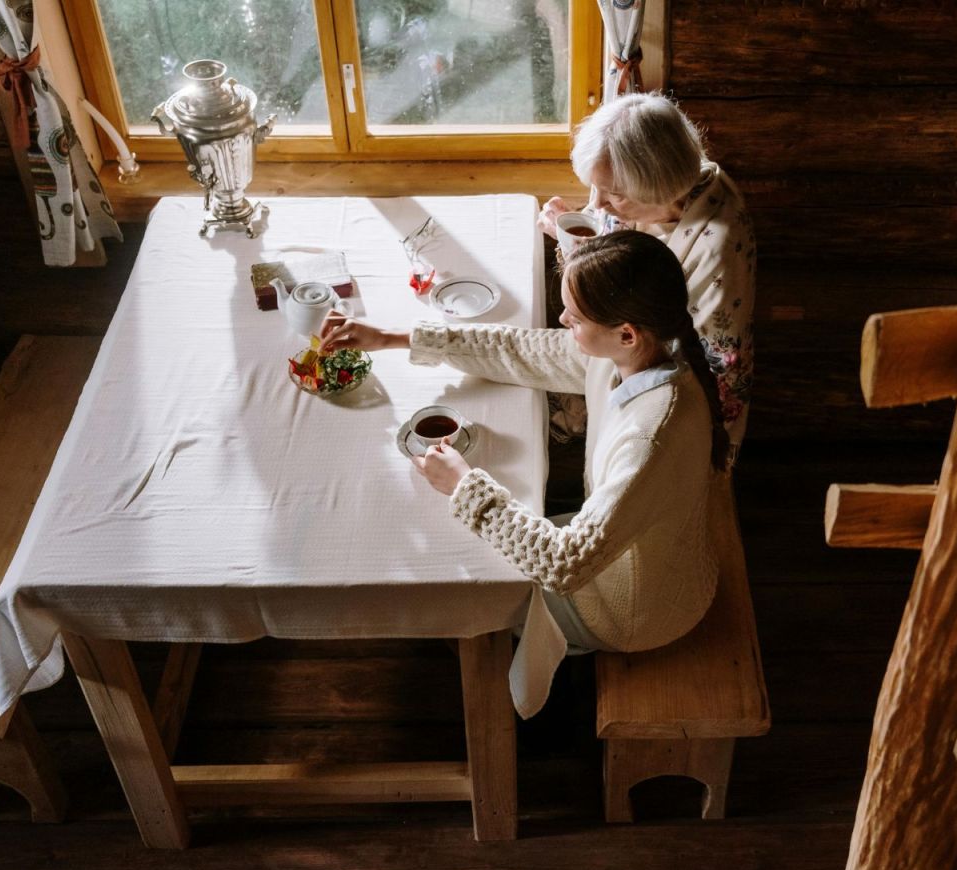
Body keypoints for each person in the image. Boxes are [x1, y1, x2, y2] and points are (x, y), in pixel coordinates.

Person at [318, 231, 727, 718]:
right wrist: (394, 337)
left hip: (635, 608)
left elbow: (564, 563)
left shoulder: (652, 432)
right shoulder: (641, 354)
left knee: (467, 572)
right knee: (475, 534)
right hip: (636, 557)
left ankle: (497, 700)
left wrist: (464, 486)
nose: (562, 322)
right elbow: (522, 349)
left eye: (574, 318)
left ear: (626, 332)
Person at [539, 92, 757, 458]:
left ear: (658, 187)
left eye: (613, 195)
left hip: (673, 403)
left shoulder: (715, 249)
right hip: (618, 352)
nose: (597, 205)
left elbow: (711, 369)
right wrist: (568, 236)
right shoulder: (655, 191)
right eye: (596, 188)